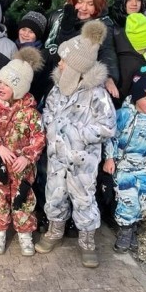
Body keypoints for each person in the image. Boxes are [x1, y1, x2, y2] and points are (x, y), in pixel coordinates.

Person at [35, 20, 117, 268]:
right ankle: (54, 230)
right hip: (58, 155)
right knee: (55, 194)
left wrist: (78, 133)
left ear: (77, 67)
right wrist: (50, 126)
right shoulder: (59, 88)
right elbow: (47, 110)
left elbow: (107, 126)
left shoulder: (97, 94)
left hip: (83, 160)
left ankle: (87, 240)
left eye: (63, 61)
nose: (59, 64)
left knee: (83, 199)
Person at [0, 48, 46, 256]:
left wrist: (27, 157)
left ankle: (25, 233)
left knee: (23, 199)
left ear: (19, 87)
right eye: (0, 82)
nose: (1, 87)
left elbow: (39, 137)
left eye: (7, 84)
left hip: (21, 169)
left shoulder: (30, 113)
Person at [104, 68, 146, 253]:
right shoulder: (124, 115)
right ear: (136, 98)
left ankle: (132, 229)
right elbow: (112, 137)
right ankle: (125, 232)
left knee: (142, 200)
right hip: (125, 166)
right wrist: (109, 157)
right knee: (127, 198)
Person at [43, 0, 120, 100]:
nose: (84, 8)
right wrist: (66, 29)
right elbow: (57, 49)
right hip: (56, 77)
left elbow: (107, 51)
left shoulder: (101, 25)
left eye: (90, 4)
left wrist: (109, 77)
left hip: (81, 83)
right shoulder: (61, 17)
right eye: (80, 2)